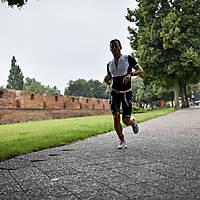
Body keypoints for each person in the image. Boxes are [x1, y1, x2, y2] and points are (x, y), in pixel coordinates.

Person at [104, 39, 144, 149]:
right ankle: (122, 140)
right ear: (110, 49)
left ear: (120, 47)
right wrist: (107, 80)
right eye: (112, 47)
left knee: (125, 121)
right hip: (114, 93)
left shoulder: (128, 59)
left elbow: (140, 70)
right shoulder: (109, 64)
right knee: (116, 116)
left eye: (116, 46)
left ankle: (133, 122)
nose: (114, 49)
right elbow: (109, 78)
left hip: (126, 93)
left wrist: (130, 74)